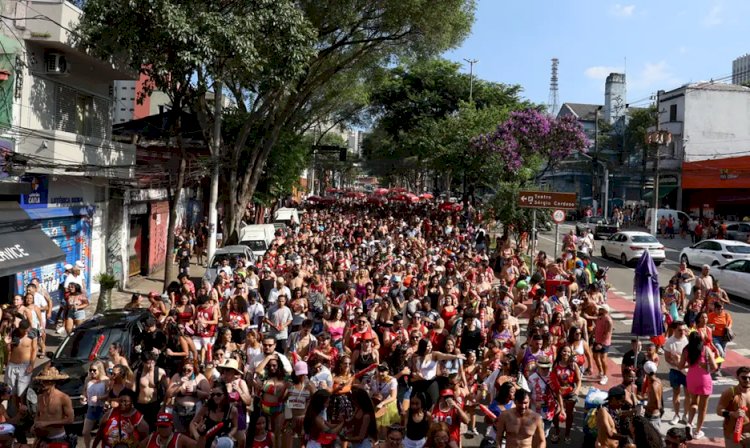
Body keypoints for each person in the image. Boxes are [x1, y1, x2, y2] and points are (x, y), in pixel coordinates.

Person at [679, 331, 716, 439]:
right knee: (703, 408)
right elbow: (714, 367)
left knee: (693, 402)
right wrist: (706, 367)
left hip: (691, 378)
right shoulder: (705, 349)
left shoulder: (686, 350)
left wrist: (689, 364)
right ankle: (697, 431)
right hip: (704, 379)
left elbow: (680, 365)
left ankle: (689, 423)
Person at [32, 366, 75, 446]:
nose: (43, 383)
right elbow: (37, 415)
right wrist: (34, 426)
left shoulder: (63, 397)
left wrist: (47, 423)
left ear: (53, 382)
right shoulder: (40, 397)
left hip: (58, 438)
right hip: (41, 438)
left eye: (46, 381)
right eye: (42, 380)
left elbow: (70, 419)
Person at [6, 319, 36, 413]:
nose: (25, 332)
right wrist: (7, 344)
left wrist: (31, 365)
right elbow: (9, 350)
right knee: (11, 391)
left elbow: (34, 350)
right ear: (20, 328)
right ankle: (15, 412)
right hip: (12, 365)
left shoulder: (32, 335)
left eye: (27, 329)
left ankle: (23, 411)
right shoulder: (14, 334)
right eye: (23, 330)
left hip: (25, 365)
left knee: (22, 392)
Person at [716, 366, 750, 448]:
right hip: (732, 434)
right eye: (744, 378)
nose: (747, 380)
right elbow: (719, 410)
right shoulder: (730, 393)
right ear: (737, 377)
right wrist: (732, 414)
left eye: (749, 378)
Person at [664, 321, 690, 425]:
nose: (682, 332)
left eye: (684, 330)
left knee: (688, 395)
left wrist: (684, 366)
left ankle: (685, 415)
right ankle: (677, 415)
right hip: (675, 371)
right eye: (680, 330)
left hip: (687, 372)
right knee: (676, 393)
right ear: (674, 330)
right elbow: (667, 358)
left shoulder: (687, 340)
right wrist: (677, 364)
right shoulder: (669, 342)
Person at [134, 351, 168, 430]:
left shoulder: (160, 372)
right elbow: (132, 388)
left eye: (153, 363)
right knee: (140, 429)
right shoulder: (137, 372)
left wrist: (163, 406)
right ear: (143, 362)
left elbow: (168, 390)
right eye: (148, 363)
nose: (151, 366)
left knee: (154, 429)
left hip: (154, 405)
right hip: (140, 405)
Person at [83, 361, 110, 448]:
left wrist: (99, 398)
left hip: (102, 409)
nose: (92, 372)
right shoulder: (88, 379)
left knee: (104, 433)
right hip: (91, 408)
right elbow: (84, 391)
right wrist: (84, 397)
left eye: (94, 370)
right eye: (90, 370)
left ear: (100, 370)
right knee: (85, 432)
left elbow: (108, 395)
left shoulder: (106, 380)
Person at [708, 301, 733, 376]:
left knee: (723, 354)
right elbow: (707, 324)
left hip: (724, 337)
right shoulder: (710, 315)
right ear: (714, 309)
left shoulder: (726, 315)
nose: (720, 311)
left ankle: (718, 368)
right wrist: (710, 325)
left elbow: (730, 322)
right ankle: (715, 367)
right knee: (721, 352)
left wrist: (728, 327)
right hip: (715, 337)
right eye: (718, 309)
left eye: (721, 309)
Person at [592, 306, 613, 385]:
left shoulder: (608, 320)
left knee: (603, 359)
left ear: (605, 310)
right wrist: (592, 335)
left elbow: (608, 333)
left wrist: (601, 343)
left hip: (604, 342)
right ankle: (600, 372)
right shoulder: (599, 317)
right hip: (597, 340)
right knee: (595, 356)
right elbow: (596, 327)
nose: (599, 310)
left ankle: (605, 376)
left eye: (601, 309)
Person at [640, 361, 663, 432]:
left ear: (645, 372)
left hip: (652, 418)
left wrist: (644, 407)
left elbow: (658, 405)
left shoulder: (653, 386)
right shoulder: (658, 381)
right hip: (654, 417)